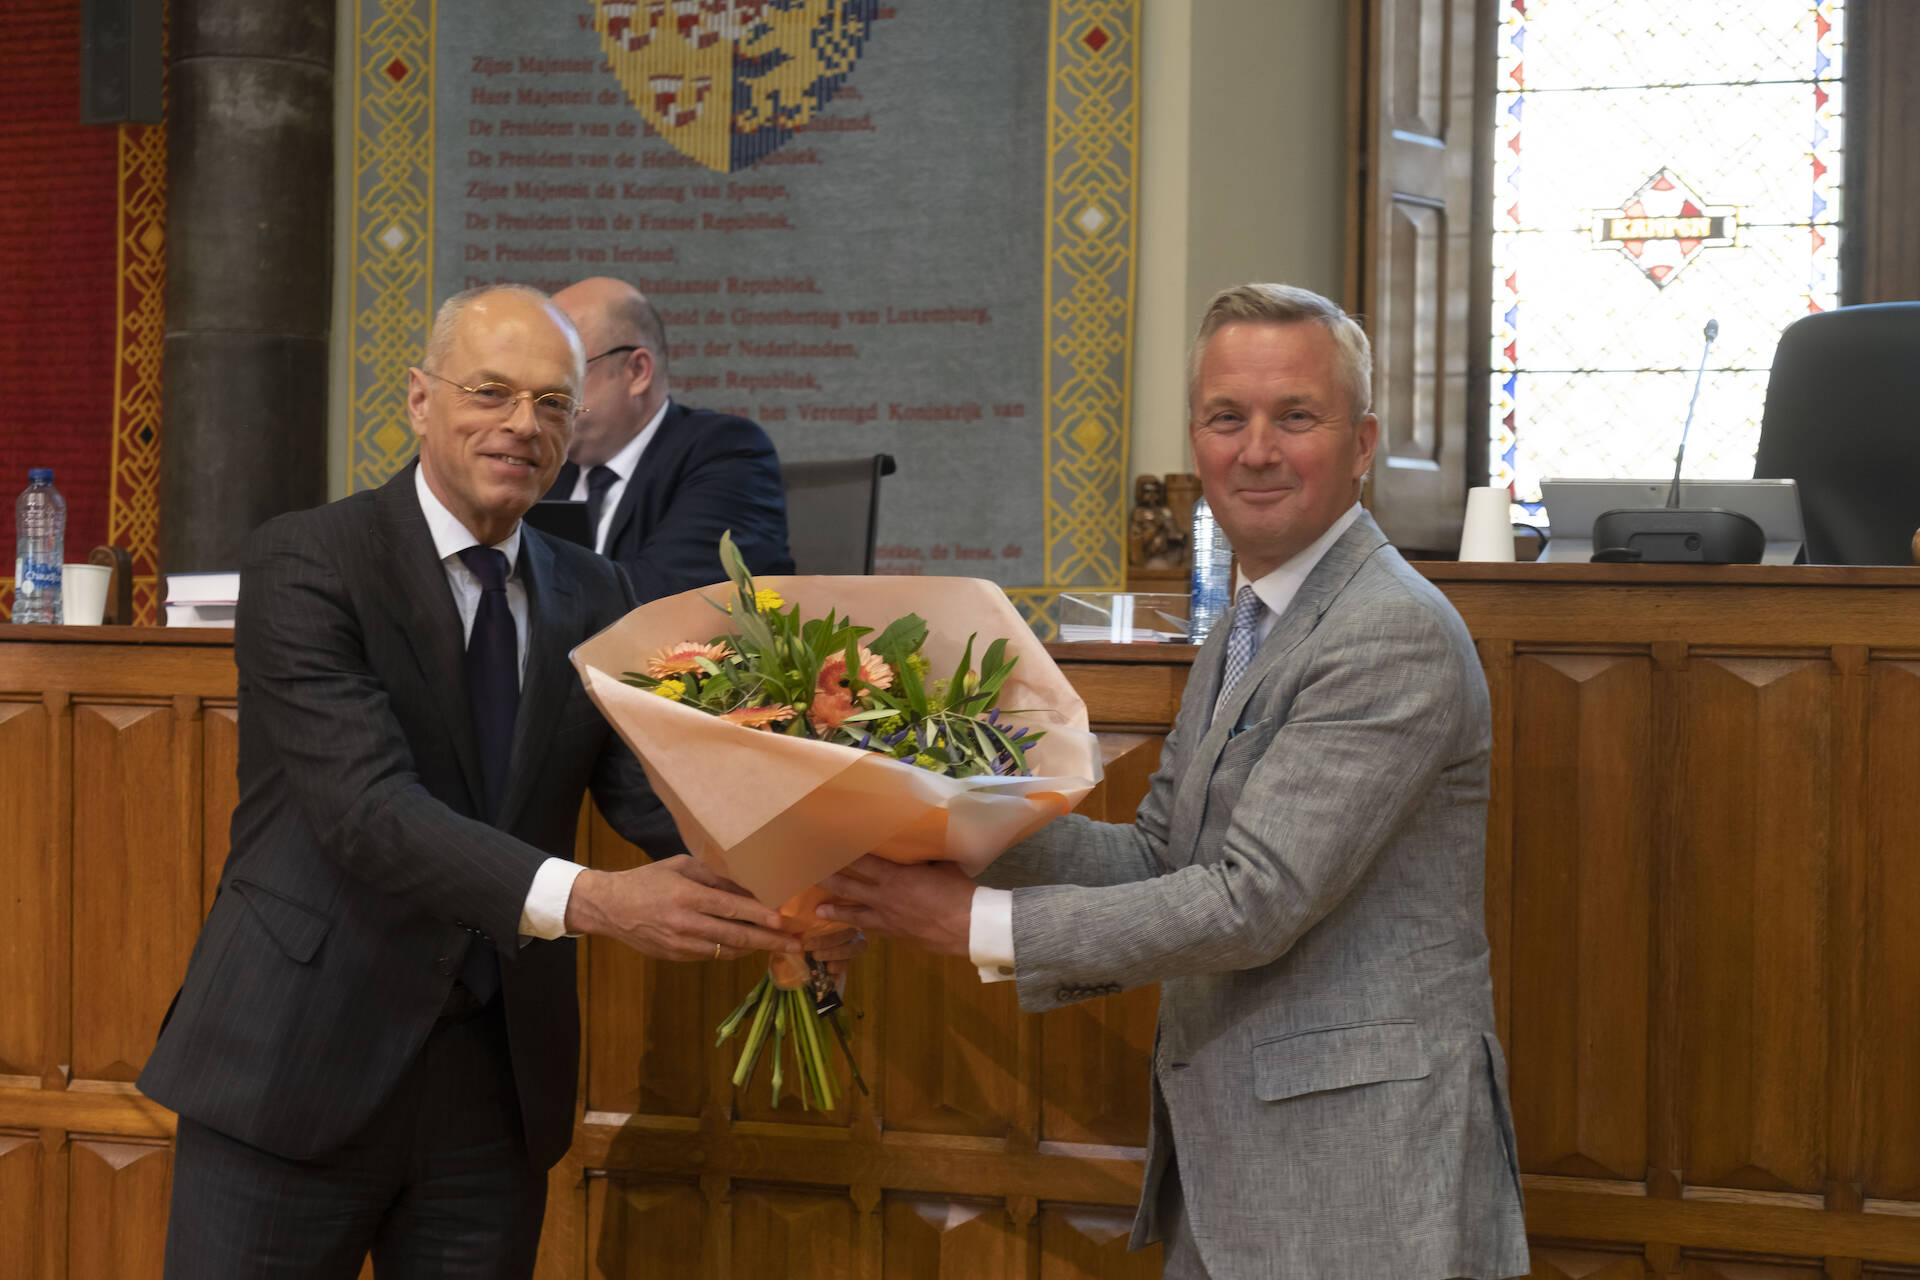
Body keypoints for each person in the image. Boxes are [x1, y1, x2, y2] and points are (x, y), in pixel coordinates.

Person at [818, 284, 1530, 1279]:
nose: (1257, 450)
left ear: (1363, 442)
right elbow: (1155, 857)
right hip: (1241, 1163)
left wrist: (970, 922)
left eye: (1296, 416)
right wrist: (936, 804)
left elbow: (1252, 900)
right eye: (1226, 417)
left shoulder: (1386, 627)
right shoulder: (1254, 616)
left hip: (1355, 1170)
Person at [138, 285, 805, 1280]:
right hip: (296, 1059)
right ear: (419, 400)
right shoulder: (309, 561)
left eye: (550, 404)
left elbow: (639, 793)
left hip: (492, 1088)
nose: (521, 426)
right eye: (490, 392)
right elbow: (369, 813)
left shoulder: (599, 588)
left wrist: (798, 869)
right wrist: (597, 901)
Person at [547, 276, 794, 599]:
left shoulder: (726, 452)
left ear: (637, 372)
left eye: (565, 373)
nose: (546, 395)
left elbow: (667, 598)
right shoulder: (547, 466)